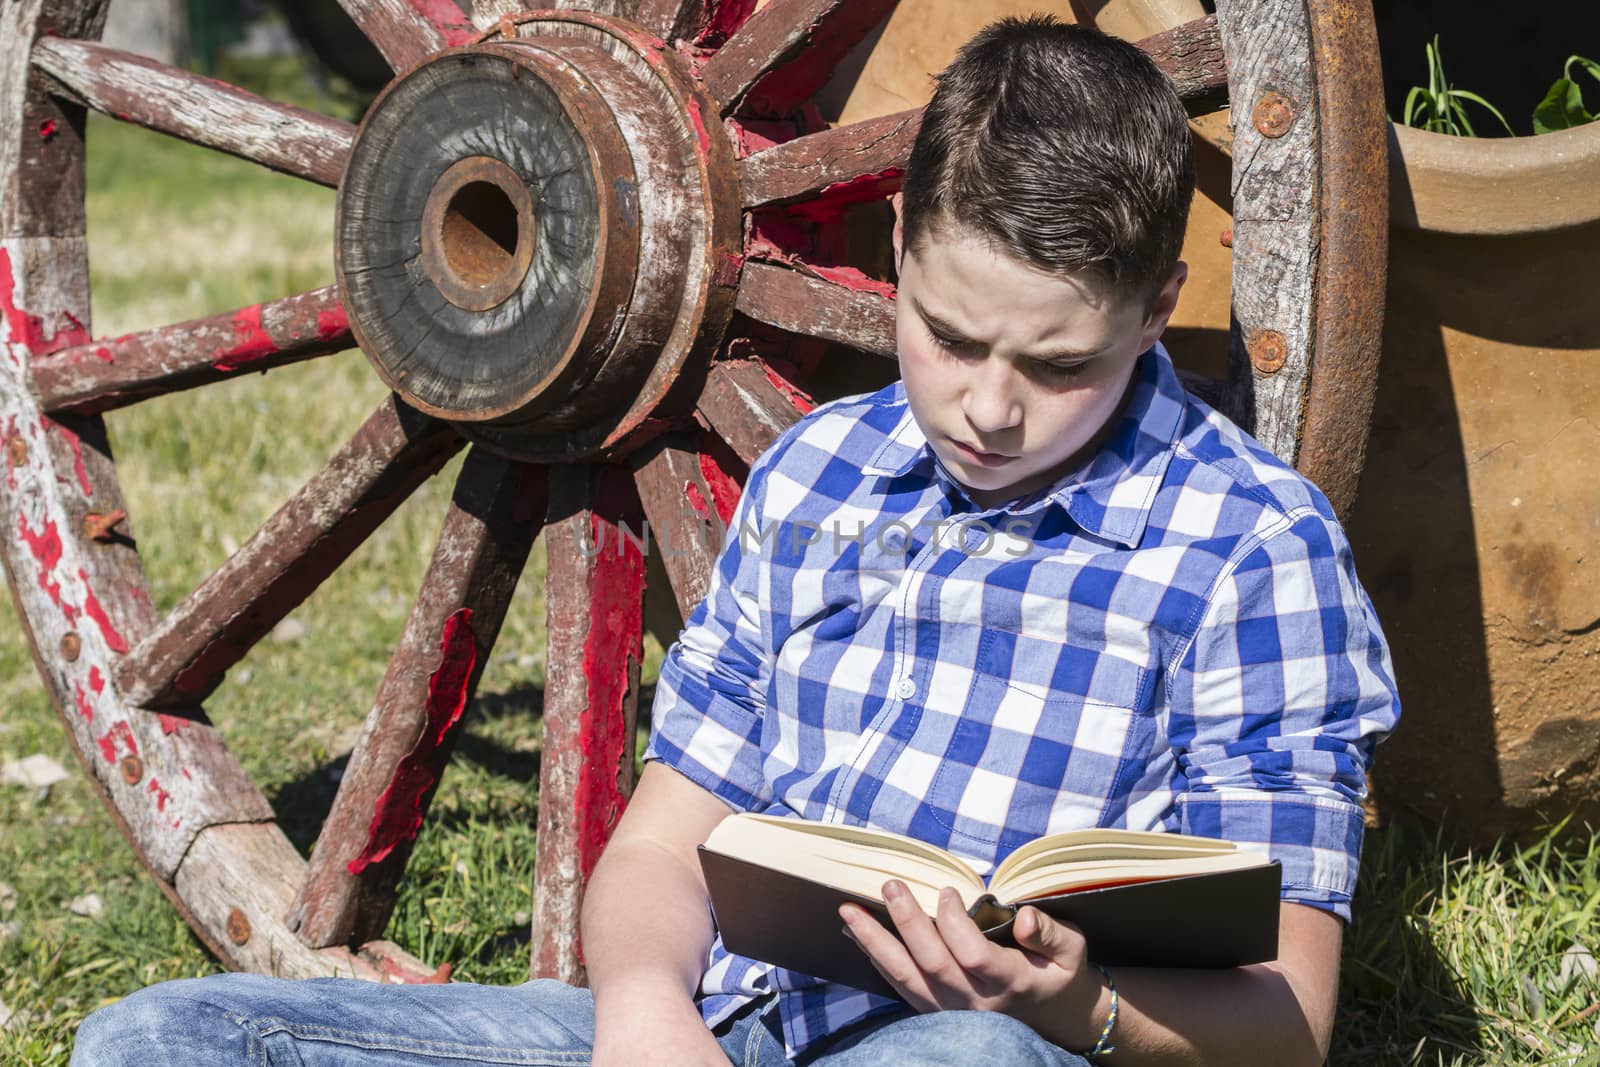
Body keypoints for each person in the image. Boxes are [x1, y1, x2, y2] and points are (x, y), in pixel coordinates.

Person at [72, 15, 1398, 1067]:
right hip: (729, 1029)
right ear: (900, 242)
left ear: (1159, 306)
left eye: (1060, 364)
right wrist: (646, 1009)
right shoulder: (821, 473)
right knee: (164, 1041)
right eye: (949, 336)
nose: (989, 407)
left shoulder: (1251, 547)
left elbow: (1285, 1021)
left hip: (989, 1049)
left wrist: (1073, 1002)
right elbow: (660, 846)